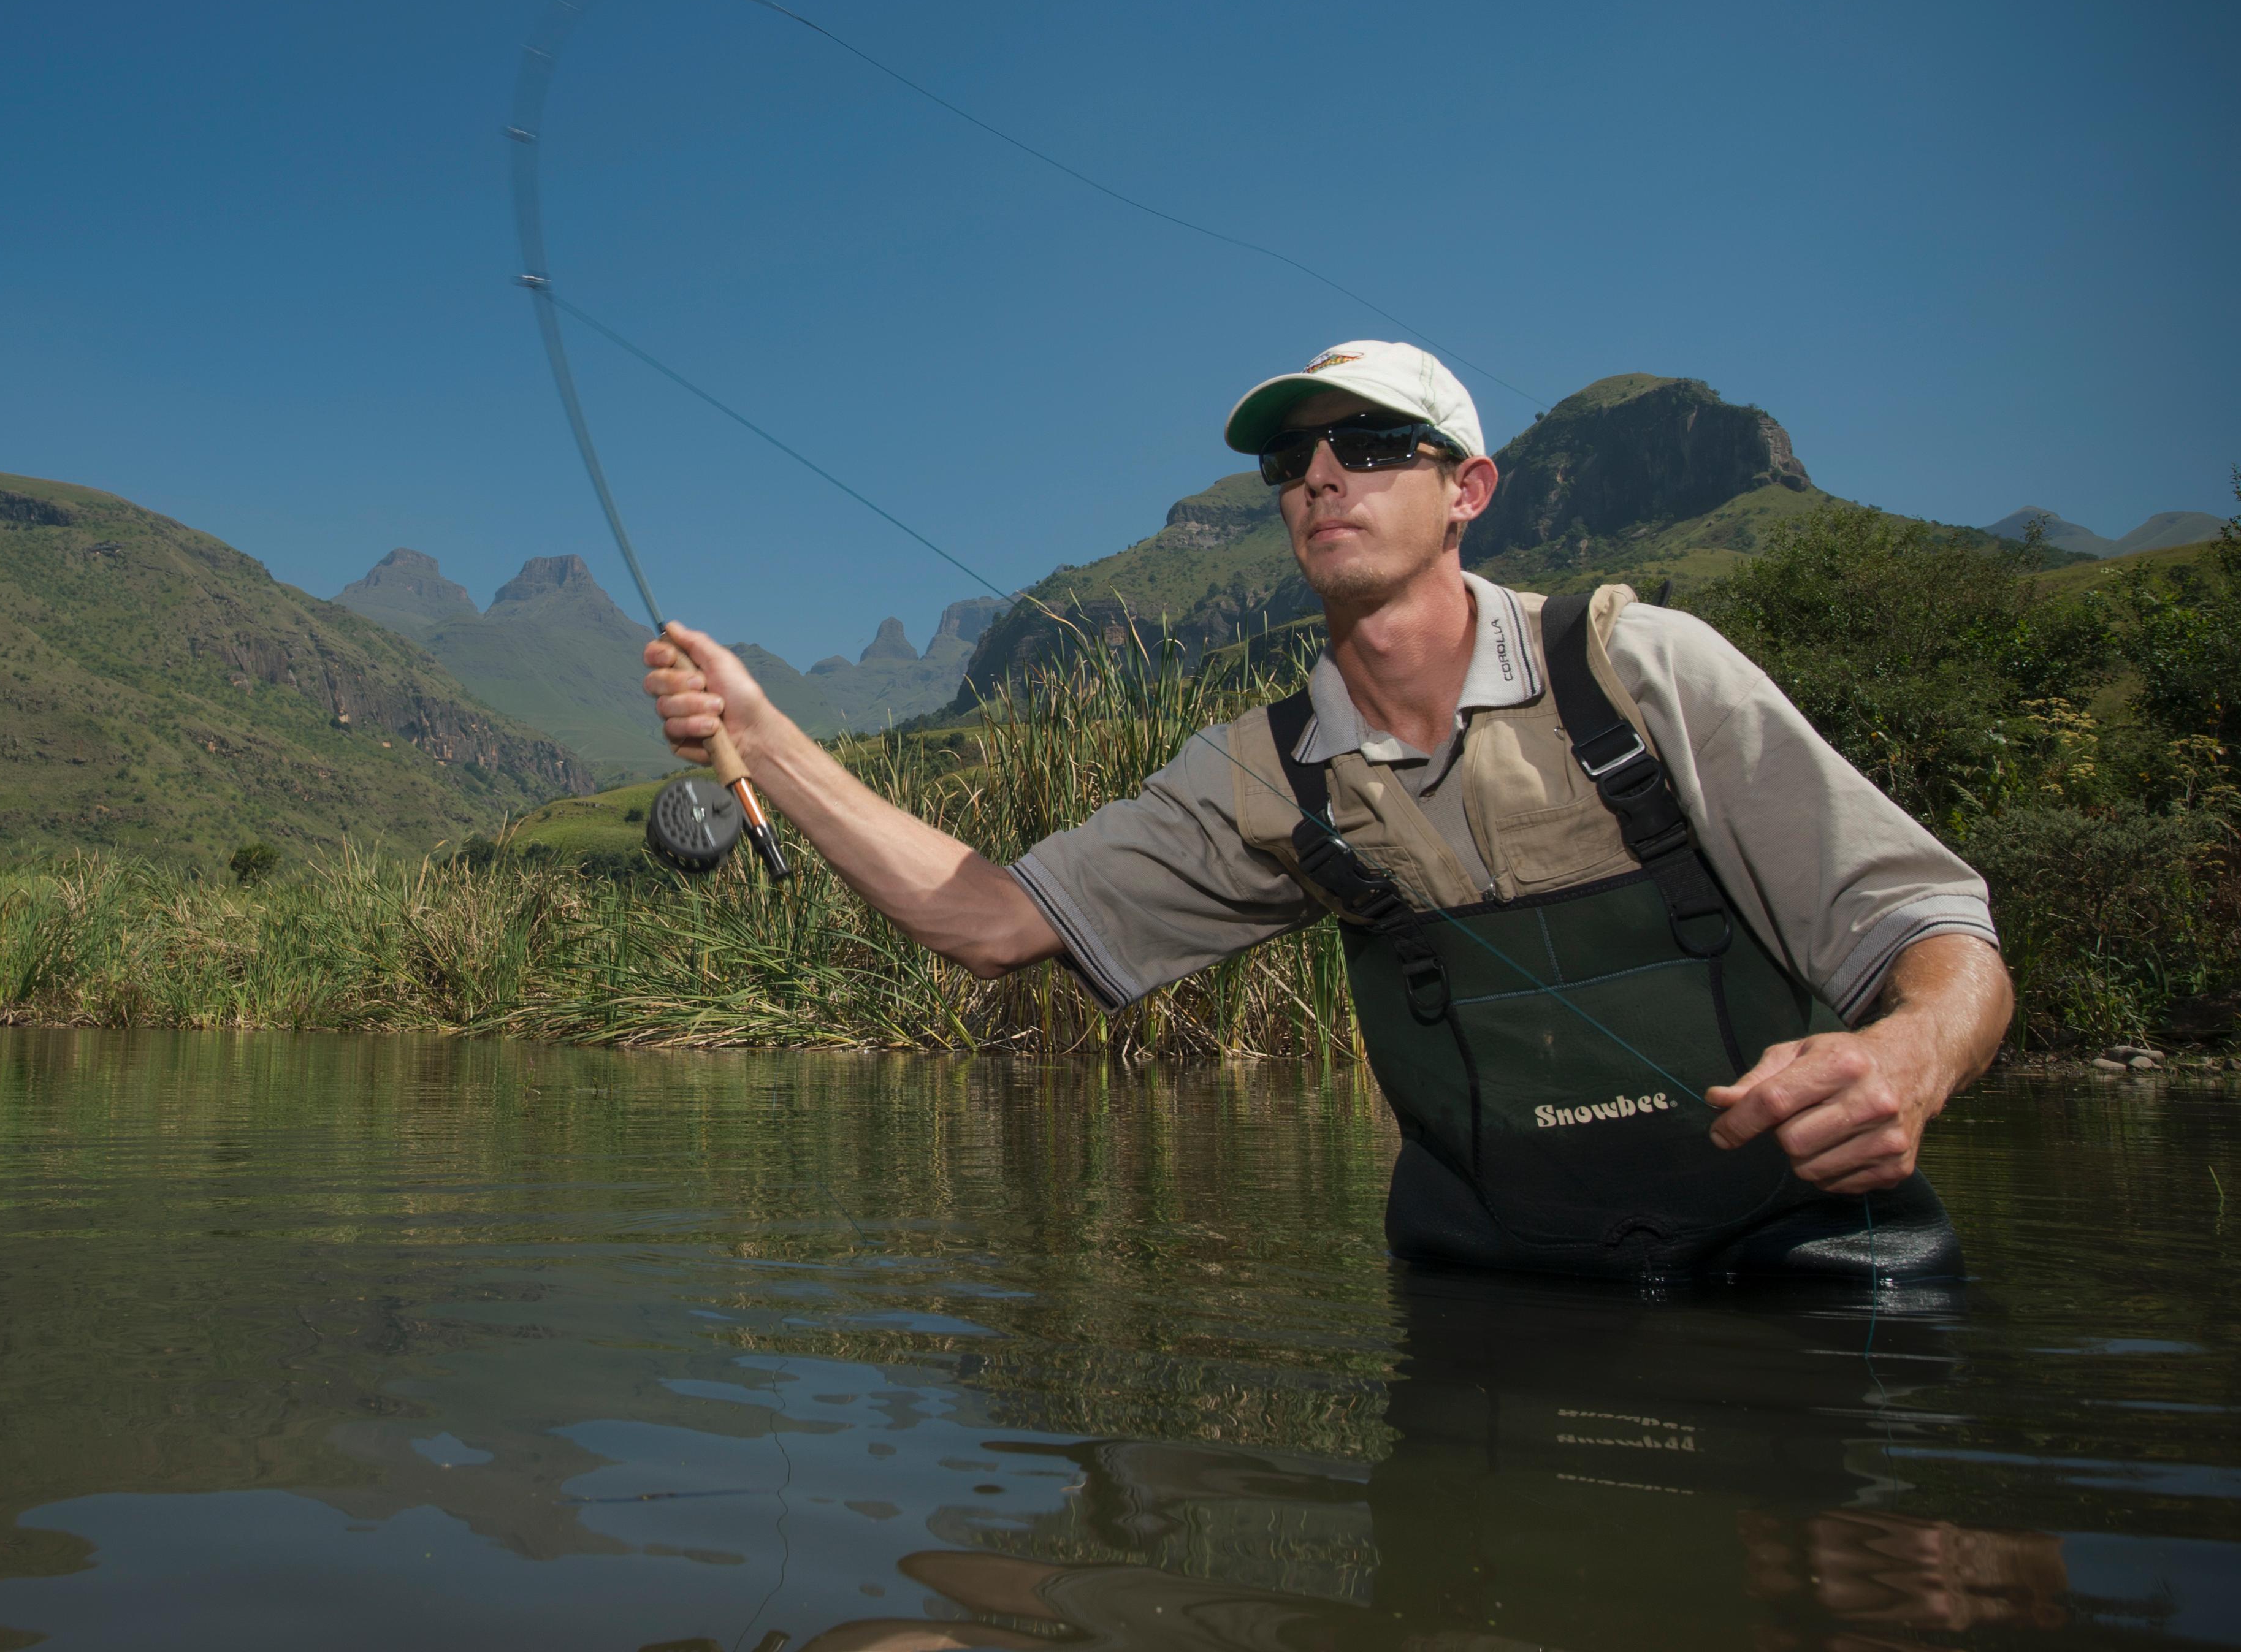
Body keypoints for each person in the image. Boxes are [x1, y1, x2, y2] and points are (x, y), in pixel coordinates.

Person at [640, 339, 2011, 1283]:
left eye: (1368, 446)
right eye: (1291, 460)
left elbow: (1936, 931)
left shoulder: (1643, 668)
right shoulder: (1263, 773)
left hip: (1818, 1273)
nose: (1320, 476)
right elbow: (992, 918)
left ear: (1465, 489)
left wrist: (1912, 1055)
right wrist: (763, 732)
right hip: (1491, 1300)